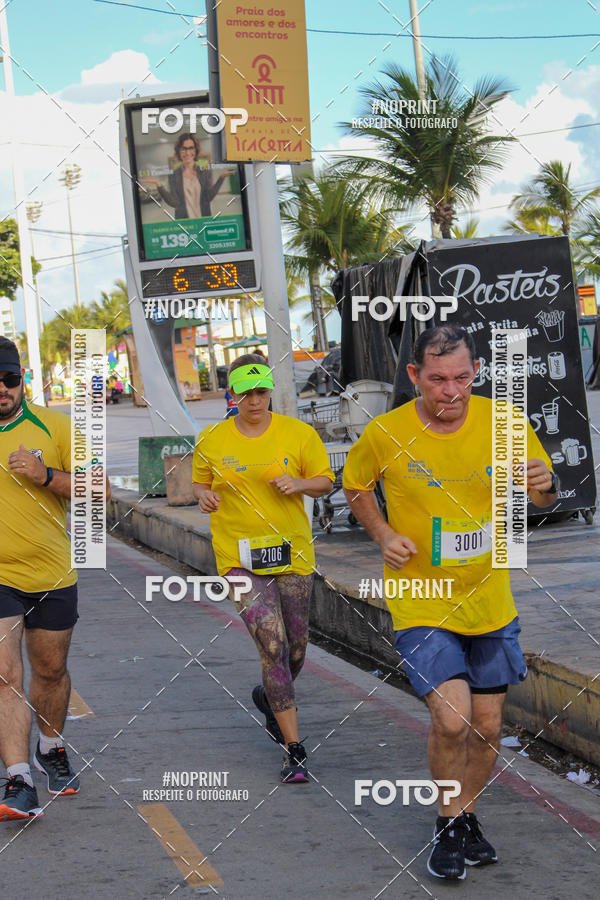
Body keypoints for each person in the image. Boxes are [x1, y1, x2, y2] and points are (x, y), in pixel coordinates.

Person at [343, 325, 557, 881]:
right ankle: (445, 822)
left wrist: (545, 481)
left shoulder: (504, 424)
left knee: (487, 726)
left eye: (462, 377)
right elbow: (356, 486)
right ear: (415, 377)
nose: (451, 391)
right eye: (438, 380)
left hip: (490, 599)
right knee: (454, 716)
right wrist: (384, 534)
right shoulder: (387, 433)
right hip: (422, 599)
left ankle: (465, 815)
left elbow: (543, 493)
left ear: (477, 372)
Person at [192, 353, 334, 783]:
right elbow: (200, 480)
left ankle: (269, 695)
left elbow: (327, 481)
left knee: (295, 649)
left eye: (261, 391)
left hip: (292, 554)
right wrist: (204, 496)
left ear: (269, 391)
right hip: (239, 559)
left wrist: (300, 484)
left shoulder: (298, 434)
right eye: (246, 393)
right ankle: (294, 749)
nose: (255, 401)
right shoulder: (213, 439)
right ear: (231, 394)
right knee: (271, 645)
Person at [0, 336, 111, 820]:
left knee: (49, 671)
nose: (2, 388)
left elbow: (100, 486)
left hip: (51, 573)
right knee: (6, 676)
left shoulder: (57, 425)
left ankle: (50, 745)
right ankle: (18, 779)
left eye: (10, 378)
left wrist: (45, 475)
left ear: (22, 378)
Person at [141, 132, 236, 219]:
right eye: (183, 149)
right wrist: (158, 185)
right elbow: (174, 202)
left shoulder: (204, 172)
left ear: (196, 149)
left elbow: (208, 197)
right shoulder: (174, 175)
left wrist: (221, 178)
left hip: (204, 219)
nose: (187, 153)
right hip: (184, 222)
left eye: (191, 148)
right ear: (178, 151)